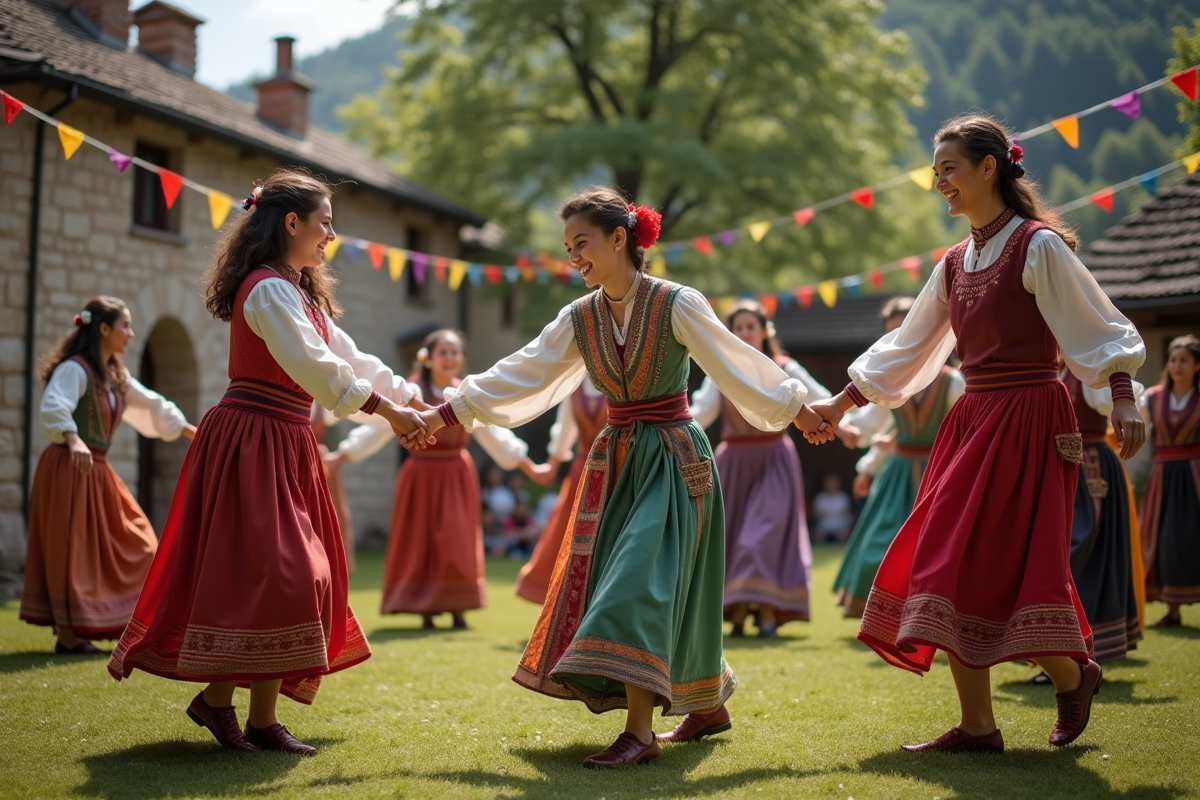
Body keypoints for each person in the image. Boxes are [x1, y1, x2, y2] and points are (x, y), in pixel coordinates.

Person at [402, 186, 833, 768]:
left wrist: (797, 409)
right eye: (567, 247)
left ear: (619, 238)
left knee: (639, 584)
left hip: (675, 460)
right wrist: (445, 411)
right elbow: (522, 371)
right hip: (616, 463)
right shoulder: (579, 317)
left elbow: (734, 361)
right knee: (651, 586)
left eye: (582, 244)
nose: (573, 257)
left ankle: (640, 733)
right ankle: (706, 702)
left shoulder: (677, 302)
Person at [810, 115, 1145, 754]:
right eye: (935, 172)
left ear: (989, 167)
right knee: (948, 559)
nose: (940, 183)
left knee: (1015, 565)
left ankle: (1072, 674)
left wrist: (1122, 396)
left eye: (950, 169)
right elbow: (909, 347)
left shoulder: (1038, 245)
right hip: (973, 420)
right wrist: (841, 402)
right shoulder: (954, 261)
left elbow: (1095, 328)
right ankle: (978, 727)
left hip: (1030, 417)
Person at [107, 169, 430, 755]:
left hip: (285, 440)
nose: (330, 232)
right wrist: (389, 413)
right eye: (325, 221)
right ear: (291, 222)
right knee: (280, 572)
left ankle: (253, 717)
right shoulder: (267, 289)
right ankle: (222, 702)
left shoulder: (299, 292)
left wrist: (413, 400)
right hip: (252, 438)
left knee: (288, 574)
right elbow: (318, 371)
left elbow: (352, 358)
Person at [334, 329, 549, 629]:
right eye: (443, 352)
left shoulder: (465, 394)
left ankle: (458, 606)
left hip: (455, 473)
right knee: (420, 538)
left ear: (461, 358)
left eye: (454, 352)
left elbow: (493, 433)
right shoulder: (409, 391)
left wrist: (529, 467)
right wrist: (342, 455)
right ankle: (424, 608)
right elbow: (379, 428)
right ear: (428, 358)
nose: (449, 358)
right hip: (420, 473)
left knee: (456, 538)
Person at [20, 296, 195, 653]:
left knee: (142, 542)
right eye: (125, 326)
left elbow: (151, 405)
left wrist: (192, 431)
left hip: (97, 471)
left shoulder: (115, 375)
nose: (130, 334)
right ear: (103, 329)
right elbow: (54, 405)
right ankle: (69, 637)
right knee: (73, 549)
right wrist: (73, 439)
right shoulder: (75, 369)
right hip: (70, 466)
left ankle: (128, 620)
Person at [689, 299, 827, 638]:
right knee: (732, 537)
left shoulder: (785, 367)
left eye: (751, 326)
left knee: (760, 537)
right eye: (738, 328)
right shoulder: (720, 369)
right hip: (733, 462)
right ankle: (735, 616)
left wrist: (848, 424)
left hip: (774, 460)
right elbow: (699, 413)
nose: (745, 333)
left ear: (765, 330)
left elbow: (823, 399)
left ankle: (767, 614)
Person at [832, 297, 963, 618]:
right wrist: (866, 465)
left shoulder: (951, 381)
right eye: (893, 337)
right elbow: (872, 427)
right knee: (880, 542)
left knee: (935, 543)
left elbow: (962, 432)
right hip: (898, 473)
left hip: (937, 473)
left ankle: (927, 612)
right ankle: (883, 609)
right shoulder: (890, 384)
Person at [515, 377, 608, 604]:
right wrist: (552, 466)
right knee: (568, 531)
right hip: (582, 472)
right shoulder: (575, 384)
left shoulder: (620, 376)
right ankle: (564, 597)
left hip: (617, 467)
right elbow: (565, 428)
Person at [1140, 334, 1200, 627]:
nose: (1177, 366)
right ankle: (1173, 612)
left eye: (1184, 361)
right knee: (1166, 541)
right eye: (1173, 360)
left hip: (1195, 476)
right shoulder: (1152, 397)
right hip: (1163, 476)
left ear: (1196, 366)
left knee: (1193, 539)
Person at [312, 405, 356, 574]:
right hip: (284, 460)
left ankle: (333, 566)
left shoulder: (321, 402)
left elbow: (351, 400)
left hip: (317, 463)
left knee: (327, 518)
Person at [811, 474, 853, 543]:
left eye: (833, 483)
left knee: (844, 533)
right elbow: (816, 514)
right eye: (829, 483)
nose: (831, 485)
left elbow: (847, 514)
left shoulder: (843, 497)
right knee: (818, 534)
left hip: (840, 523)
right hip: (824, 523)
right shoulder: (820, 497)